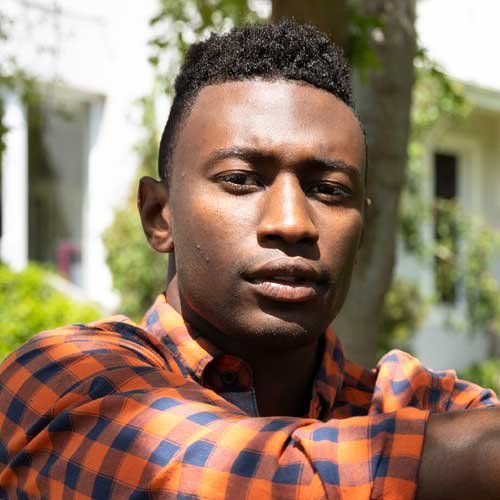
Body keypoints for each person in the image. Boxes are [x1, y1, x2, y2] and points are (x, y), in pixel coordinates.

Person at [0, 20, 499, 500]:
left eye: (329, 190)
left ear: (362, 228)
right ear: (159, 216)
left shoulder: (420, 405)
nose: (293, 223)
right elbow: (242, 479)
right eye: (240, 179)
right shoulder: (59, 381)